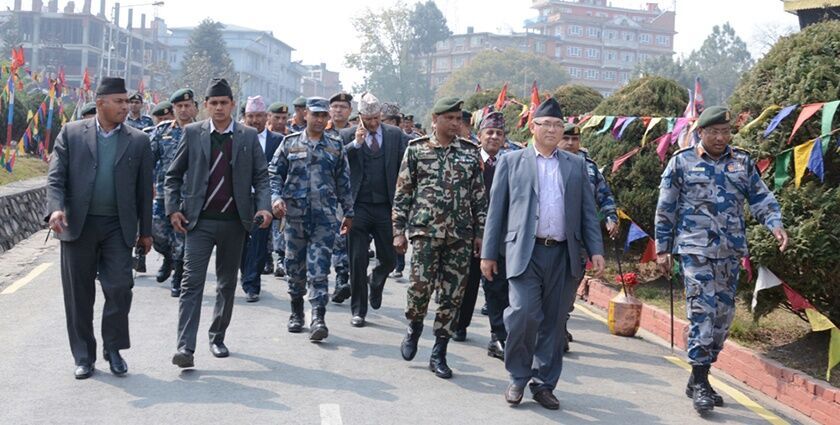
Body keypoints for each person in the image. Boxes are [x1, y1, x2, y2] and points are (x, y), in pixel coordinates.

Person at [655, 106, 787, 414]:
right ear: (700, 132)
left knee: (723, 319)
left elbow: (760, 197)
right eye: (714, 132)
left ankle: (698, 374)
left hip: (730, 251)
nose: (720, 137)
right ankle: (701, 382)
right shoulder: (682, 163)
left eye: (725, 131)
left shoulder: (741, 161)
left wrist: (775, 224)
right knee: (703, 312)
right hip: (695, 251)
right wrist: (663, 248)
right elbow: (666, 208)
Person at [480, 98, 605, 410]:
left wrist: (596, 250)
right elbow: (497, 211)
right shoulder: (512, 162)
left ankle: (544, 383)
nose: (551, 129)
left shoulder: (576, 166)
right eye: (545, 124)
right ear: (532, 127)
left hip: (564, 254)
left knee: (553, 321)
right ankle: (518, 377)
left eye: (557, 125)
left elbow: (588, 213)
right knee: (522, 315)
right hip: (525, 252)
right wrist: (488, 254)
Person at [46, 77, 153, 379]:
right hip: (78, 225)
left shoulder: (138, 140)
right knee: (78, 294)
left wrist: (146, 231)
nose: (126, 106)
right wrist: (55, 208)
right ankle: (84, 356)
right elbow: (56, 178)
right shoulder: (71, 134)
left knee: (120, 287)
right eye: (119, 101)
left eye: (127, 101)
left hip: (118, 228)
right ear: (101, 102)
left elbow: (145, 190)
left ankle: (114, 349)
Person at [165, 78, 272, 368]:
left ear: (233, 105)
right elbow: (173, 176)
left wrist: (264, 208)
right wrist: (173, 209)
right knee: (191, 284)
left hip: (235, 222)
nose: (219, 108)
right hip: (198, 222)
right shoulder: (192, 133)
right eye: (214, 103)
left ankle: (217, 335)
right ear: (206, 106)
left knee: (226, 284)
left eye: (224, 103)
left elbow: (262, 177)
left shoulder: (248, 136)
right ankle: (185, 347)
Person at [393, 97, 487, 379]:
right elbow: (403, 194)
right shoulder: (417, 150)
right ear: (436, 119)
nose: (457, 123)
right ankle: (414, 327)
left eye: (459, 119)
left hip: (460, 235)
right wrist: (398, 231)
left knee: (452, 295)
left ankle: (439, 352)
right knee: (419, 289)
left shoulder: (471, 153)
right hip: (425, 233)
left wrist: (481, 232)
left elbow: (479, 198)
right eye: (451, 119)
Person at [269, 97, 353, 341]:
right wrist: (275, 198)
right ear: (305, 115)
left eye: (323, 115)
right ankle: (296, 312)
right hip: (294, 218)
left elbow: (344, 183)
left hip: (324, 219)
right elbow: (274, 173)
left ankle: (318, 317)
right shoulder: (289, 143)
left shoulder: (335, 146)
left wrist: (348, 212)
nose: (318, 119)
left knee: (319, 269)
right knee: (295, 269)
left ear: (327, 118)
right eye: (314, 114)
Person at [340, 92, 410, 327]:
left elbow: (407, 165)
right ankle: (359, 310)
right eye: (367, 119)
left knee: (390, 258)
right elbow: (337, 163)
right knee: (357, 259)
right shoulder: (347, 136)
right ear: (359, 116)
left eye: (376, 118)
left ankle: (376, 279)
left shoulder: (395, 135)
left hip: (385, 207)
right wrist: (355, 145)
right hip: (357, 207)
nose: (372, 123)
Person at [558, 123, 620, 352]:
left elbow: (604, 196)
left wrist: (611, 217)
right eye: (566, 138)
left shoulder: (591, 168)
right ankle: (551, 327)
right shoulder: (548, 163)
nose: (571, 143)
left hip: (579, 238)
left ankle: (560, 323)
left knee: (572, 282)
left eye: (575, 139)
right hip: (552, 235)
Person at [451, 112, 505, 349]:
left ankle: (497, 334)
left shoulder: (510, 163)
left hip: (498, 236)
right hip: (467, 232)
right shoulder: (467, 159)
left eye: (499, 133)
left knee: (496, 286)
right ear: (479, 135)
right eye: (489, 132)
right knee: (466, 282)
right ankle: (459, 325)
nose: (494, 137)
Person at [149, 88, 198, 297]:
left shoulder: (202, 131)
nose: (184, 110)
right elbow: (148, 160)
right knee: (157, 231)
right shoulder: (162, 131)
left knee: (182, 237)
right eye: (179, 106)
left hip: (190, 195)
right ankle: (167, 257)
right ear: (173, 108)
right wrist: (147, 183)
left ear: (195, 107)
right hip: (163, 192)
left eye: (188, 106)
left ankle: (178, 275)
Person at [239, 95, 283, 302]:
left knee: (258, 241)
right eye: (250, 116)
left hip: (263, 199)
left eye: (258, 116)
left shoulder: (278, 141)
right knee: (240, 241)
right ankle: (244, 272)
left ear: (266, 117)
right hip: (239, 198)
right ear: (245, 117)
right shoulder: (237, 138)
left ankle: (252, 284)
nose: (255, 120)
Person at [326, 92, 354, 303]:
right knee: (337, 239)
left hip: (353, 193)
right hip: (329, 193)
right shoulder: (322, 130)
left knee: (347, 239)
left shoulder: (357, 132)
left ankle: (345, 278)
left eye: (343, 107)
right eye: (335, 106)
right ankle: (340, 279)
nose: (338, 110)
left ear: (350, 111)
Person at [266, 102, 290, 276]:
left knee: (279, 226)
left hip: (284, 188)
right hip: (263, 187)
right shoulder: (263, 136)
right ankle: (267, 257)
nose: (281, 121)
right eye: (277, 118)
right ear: (269, 117)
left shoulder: (293, 137)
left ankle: (280, 258)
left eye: (284, 118)